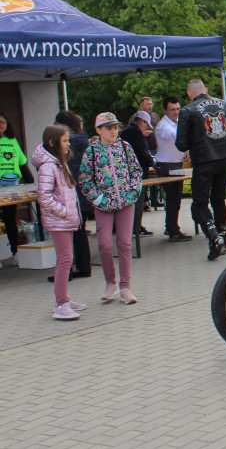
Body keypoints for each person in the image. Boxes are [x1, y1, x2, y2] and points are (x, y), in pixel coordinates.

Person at [80, 112, 143, 304]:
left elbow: (136, 171)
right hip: (103, 206)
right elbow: (84, 179)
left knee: (124, 244)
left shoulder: (125, 147)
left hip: (126, 202)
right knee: (105, 244)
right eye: (108, 128)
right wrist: (97, 200)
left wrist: (133, 192)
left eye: (115, 127)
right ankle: (111, 282)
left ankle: (125, 287)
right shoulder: (91, 152)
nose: (113, 131)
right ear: (98, 130)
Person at [31, 124, 87, 319]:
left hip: (64, 220)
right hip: (59, 221)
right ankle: (61, 304)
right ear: (52, 143)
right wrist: (64, 212)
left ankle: (63, 298)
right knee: (65, 260)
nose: (68, 144)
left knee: (66, 259)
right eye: (64, 140)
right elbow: (44, 197)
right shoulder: (48, 166)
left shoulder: (57, 162)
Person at [176, 78, 226, 261]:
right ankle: (223, 238)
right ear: (206, 89)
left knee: (199, 203)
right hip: (225, 157)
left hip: (204, 160)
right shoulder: (223, 104)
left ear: (188, 93)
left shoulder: (187, 110)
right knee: (219, 199)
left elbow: (181, 143)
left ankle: (213, 235)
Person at [53, 110, 92, 279]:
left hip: (68, 194)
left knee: (65, 234)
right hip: (83, 194)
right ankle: (84, 267)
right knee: (80, 231)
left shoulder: (63, 145)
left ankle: (66, 271)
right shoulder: (85, 142)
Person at [154, 97, 191, 241]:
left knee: (175, 199)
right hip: (166, 165)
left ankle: (171, 227)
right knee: (173, 199)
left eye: (178, 109)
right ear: (165, 110)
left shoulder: (176, 123)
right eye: (172, 109)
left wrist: (185, 151)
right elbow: (174, 136)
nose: (176, 112)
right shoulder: (163, 125)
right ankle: (173, 230)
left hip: (176, 164)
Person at [119, 111, 155, 237]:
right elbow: (141, 152)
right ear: (141, 121)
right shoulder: (134, 132)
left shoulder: (129, 131)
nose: (146, 128)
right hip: (135, 173)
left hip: (130, 172)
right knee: (137, 201)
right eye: (146, 124)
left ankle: (133, 227)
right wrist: (153, 162)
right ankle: (135, 228)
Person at [0, 111, 29, 265]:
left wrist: (32, 184)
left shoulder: (12, 141)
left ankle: (15, 252)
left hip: (11, 186)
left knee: (9, 219)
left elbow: (22, 164)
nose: (2, 124)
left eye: (4, 121)